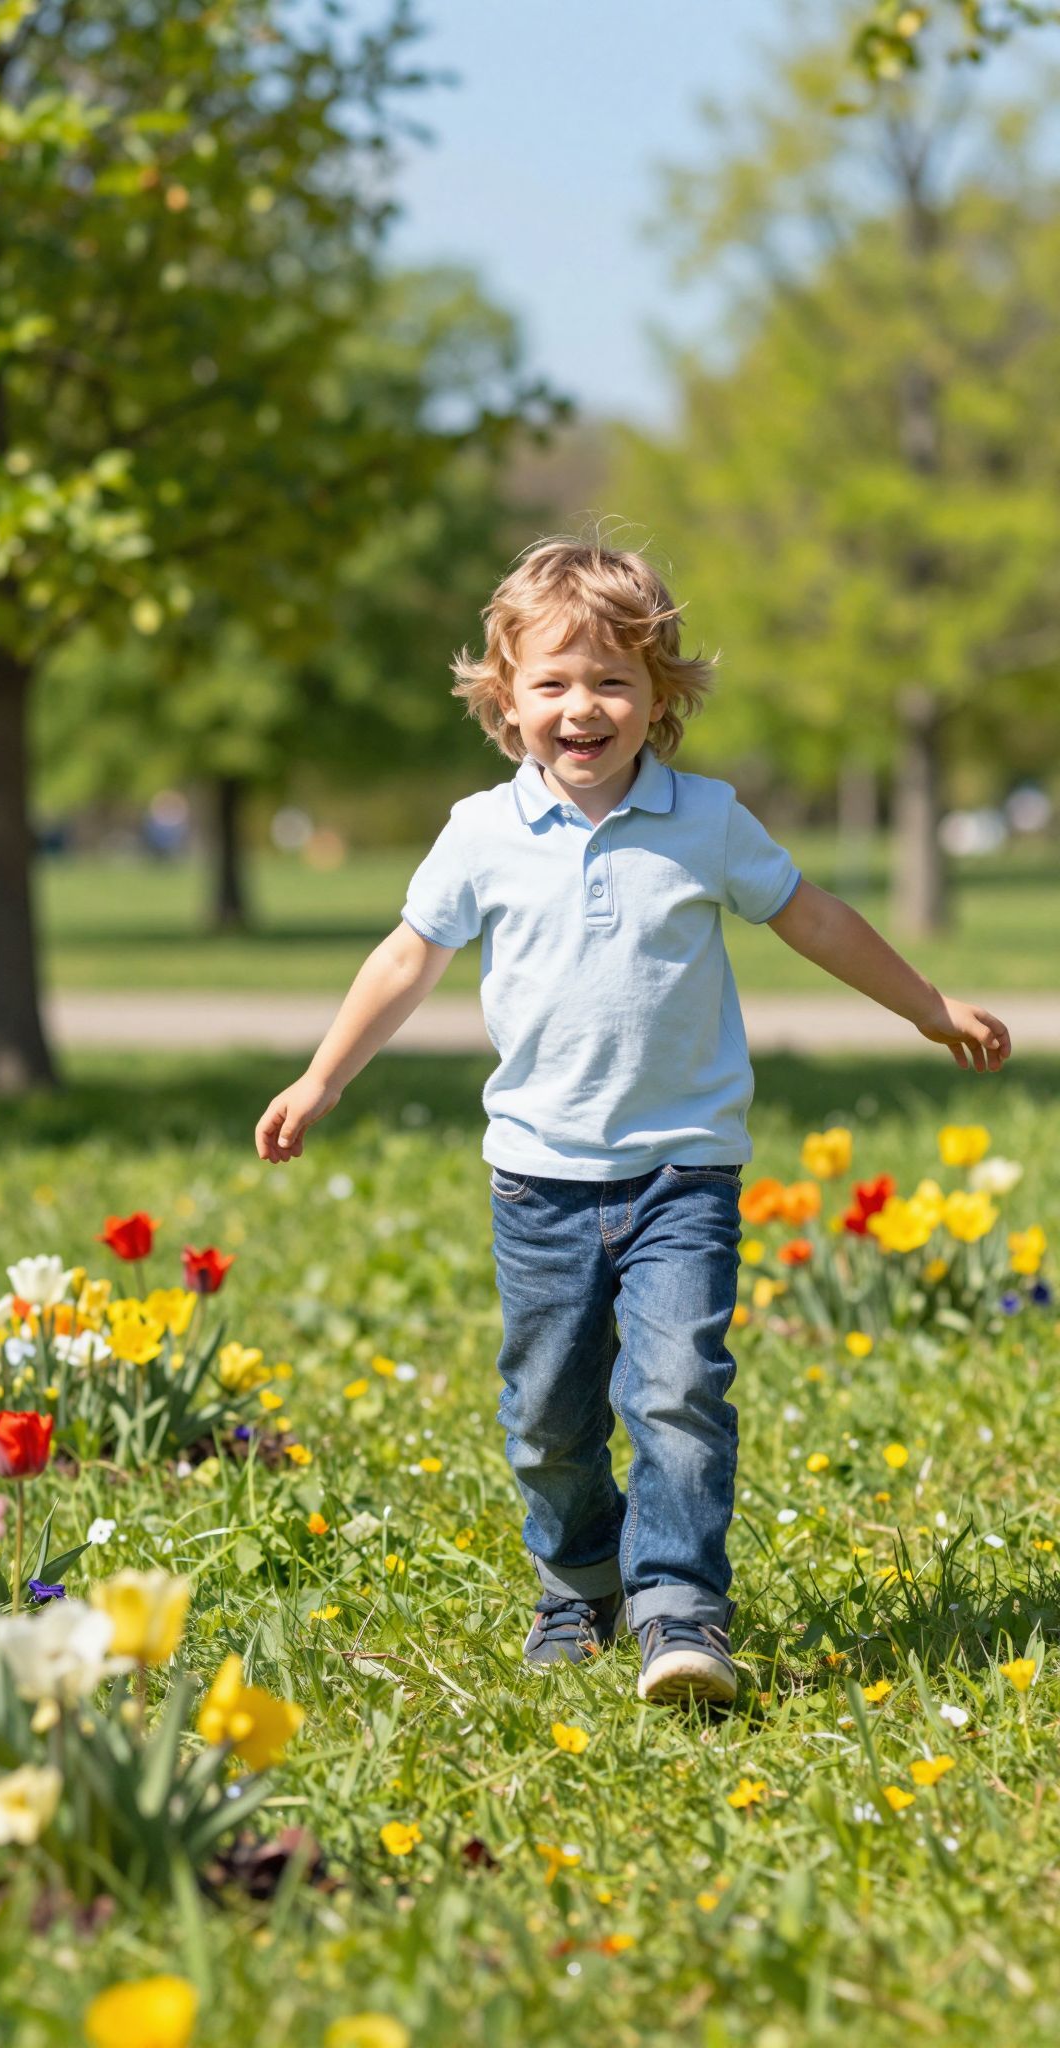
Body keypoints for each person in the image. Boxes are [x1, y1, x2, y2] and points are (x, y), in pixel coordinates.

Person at [255, 536, 1011, 1709]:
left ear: (661, 696)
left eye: (612, 680)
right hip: (539, 1183)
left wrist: (925, 1004)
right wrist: (322, 1077)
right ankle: (578, 1584)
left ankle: (679, 1608)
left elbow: (811, 916)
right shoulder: (482, 832)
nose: (582, 706)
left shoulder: (704, 819)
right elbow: (407, 958)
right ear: (506, 698)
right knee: (546, 1421)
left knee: (677, 1392)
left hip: (682, 1174)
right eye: (553, 681)